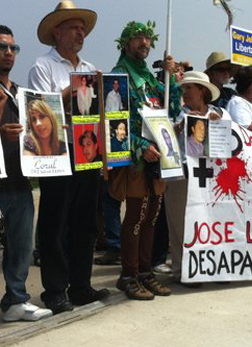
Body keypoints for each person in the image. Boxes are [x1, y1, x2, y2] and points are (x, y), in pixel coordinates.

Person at [28, 0, 109, 314]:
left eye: (82, 28)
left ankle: (81, 285)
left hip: (88, 150)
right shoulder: (43, 66)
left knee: (85, 222)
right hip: (58, 153)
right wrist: (74, 89)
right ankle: (55, 290)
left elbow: (100, 113)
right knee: (55, 221)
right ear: (56, 32)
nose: (80, 33)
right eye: (74, 28)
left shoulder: (89, 68)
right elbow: (39, 110)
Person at [0, 24, 52, 322]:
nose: (8, 53)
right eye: (1, 47)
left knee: (21, 246)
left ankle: (16, 300)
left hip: (20, 180)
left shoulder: (24, 93)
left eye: (13, 48)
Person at [110, 20, 181, 300]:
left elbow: (172, 110)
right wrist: (139, 146)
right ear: (125, 44)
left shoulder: (152, 79)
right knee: (137, 217)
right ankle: (128, 275)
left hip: (159, 157)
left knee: (152, 217)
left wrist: (170, 78)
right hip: (138, 160)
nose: (145, 43)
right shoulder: (120, 75)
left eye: (148, 39)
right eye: (138, 38)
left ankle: (145, 271)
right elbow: (116, 121)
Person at [165, 70, 231, 285]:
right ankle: (182, 269)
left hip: (212, 176)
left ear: (202, 91)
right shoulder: (177, 112)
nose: (184, 92)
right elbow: (164, 135)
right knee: (181, 222)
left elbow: (234, 140)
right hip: (183, 174)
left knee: (212, 222)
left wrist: (218, 124)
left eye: (188, 88)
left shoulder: (220, 113)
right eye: (183, 88)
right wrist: (180, 128)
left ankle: (214, 266)